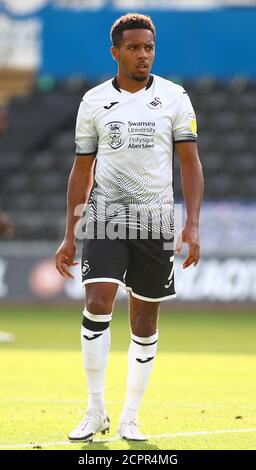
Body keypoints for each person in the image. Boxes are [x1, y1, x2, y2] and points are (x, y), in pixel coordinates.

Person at [55, 12, 204, 442]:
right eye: (135, 47)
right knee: (98, 303)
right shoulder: (94, 101)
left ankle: (130, 415)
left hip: (156, 218)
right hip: (105, 214)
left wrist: (192, 224)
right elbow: (81, 171)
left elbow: (190, 164)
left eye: (149, 48)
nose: (143, 55)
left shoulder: (175, 97)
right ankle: (95, 409)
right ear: (115, 51)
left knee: (144, 320)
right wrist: (70, 233)